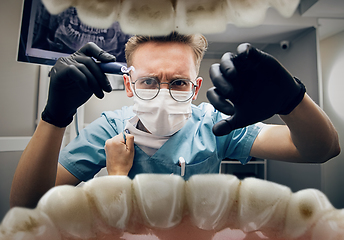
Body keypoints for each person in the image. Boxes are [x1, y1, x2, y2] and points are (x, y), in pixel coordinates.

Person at [10, 32, 340, 209]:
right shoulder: (111, 129)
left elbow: (322, 150)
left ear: (195, 88)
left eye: (179, 82)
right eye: (150, 81)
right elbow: (27, 205)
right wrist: (54, 117)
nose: (164, 93)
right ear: (129, 84)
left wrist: (292, 100)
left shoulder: (216, 123)